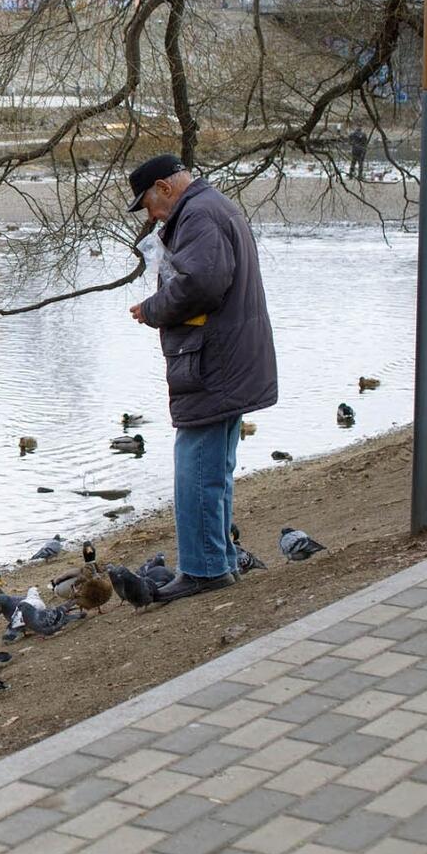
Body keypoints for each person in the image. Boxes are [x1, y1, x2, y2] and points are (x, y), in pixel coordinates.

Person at [128, 155, 277, 603]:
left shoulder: (198, 215)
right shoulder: (214, 207)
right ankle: (219, 560)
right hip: (227, 357)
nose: (151, 215)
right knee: (214, 465)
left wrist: (151, 309)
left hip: (211, 361)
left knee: (195, 463)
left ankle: (204, 568)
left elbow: (202, 285)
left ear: (164, 187)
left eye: (149, 204)